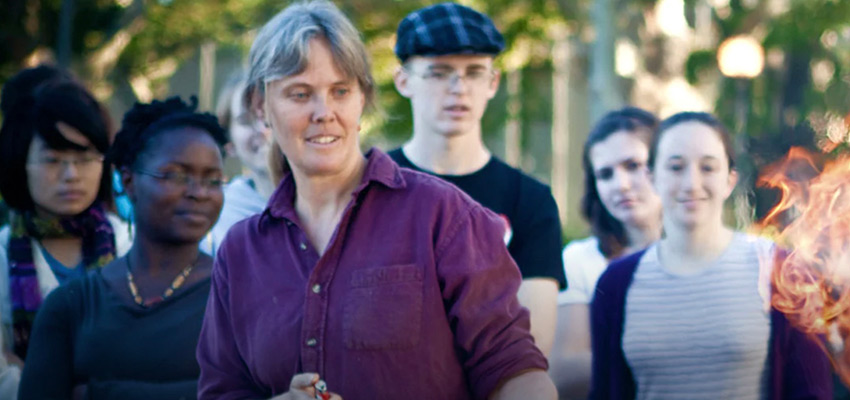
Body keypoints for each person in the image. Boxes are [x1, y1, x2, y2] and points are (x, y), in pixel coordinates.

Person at [196, 2, 557, 399]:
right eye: (300, 94)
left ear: (363, 99)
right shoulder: (241, 250)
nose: (324, 112)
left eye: (341, 91)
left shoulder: (443, 216)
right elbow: (221, 389)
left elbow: (517, 373)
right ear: (260, 106)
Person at [589, 112, 832, 399]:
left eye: (707, 167)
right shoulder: (616, 284)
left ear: (730, 180)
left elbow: (813, 392)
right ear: (652, 177)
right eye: (676, 167)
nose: (692, 183)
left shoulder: (780, 270)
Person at [18, 96, 227, 399]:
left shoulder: (238, 297)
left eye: (213, 180)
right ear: (128, 180)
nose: (198, 192)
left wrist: (100, 393)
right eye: (176, 175)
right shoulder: (71, 306)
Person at [388, 2, 565, 356]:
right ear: (403, 81)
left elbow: (533, 345)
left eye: (474, 72)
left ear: (493, 82)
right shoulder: (370, 187)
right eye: (438, 73)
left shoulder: (530, 200)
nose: (459, 87)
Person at [0, 73, 132, 362]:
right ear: (20, 163)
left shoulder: (131, 244)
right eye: (52, 160)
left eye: (85, 159)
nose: (71, 176)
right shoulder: (2, 253)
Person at [548, 107, 661, 398]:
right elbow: (565, 374)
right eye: (605, 174)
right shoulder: (581, 260)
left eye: (633, 165)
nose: (620, 185)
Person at [200, 72, 274, 254]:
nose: (263, 130)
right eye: (246, 121)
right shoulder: (214, 216)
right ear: (229, 143)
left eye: (270, 118)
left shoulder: (336, 206)